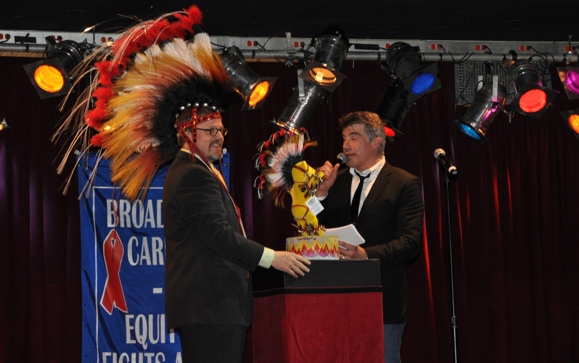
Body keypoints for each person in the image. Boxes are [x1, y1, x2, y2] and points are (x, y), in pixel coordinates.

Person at [163, 105, 311, 363]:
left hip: (212, 309)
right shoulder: (192, 173)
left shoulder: (199, 169)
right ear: (187, 133)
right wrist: (271, 258)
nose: (220, 136)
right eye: (210, 131)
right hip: (211, 308)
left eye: (221, 130)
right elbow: (217, 234)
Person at [315, 111, 424, 363]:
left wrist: (365, 255)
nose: (345, 145)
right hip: (337, 302)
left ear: (376, 141)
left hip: (383, 304)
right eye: (343, 138)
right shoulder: (335, 182)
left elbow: (410, 244)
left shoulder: (403, 183)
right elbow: (311, 233)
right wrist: (320, 194)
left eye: (354, 137)